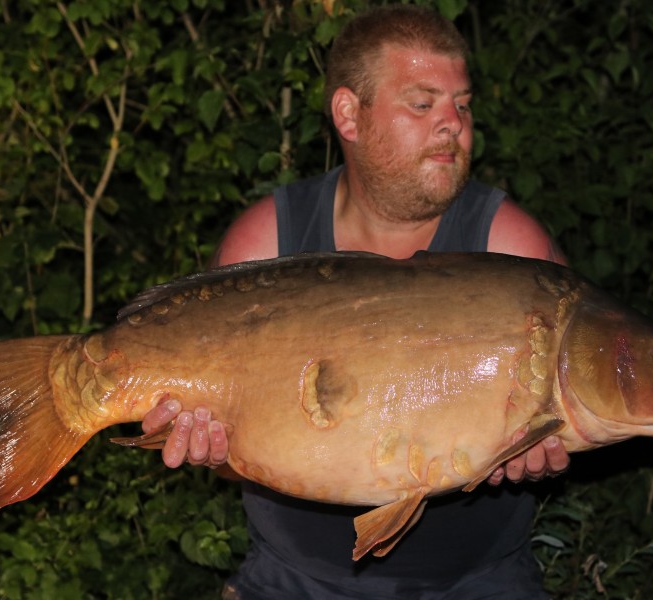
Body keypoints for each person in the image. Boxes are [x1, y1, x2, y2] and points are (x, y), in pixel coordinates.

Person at [143, 5, 570, 598]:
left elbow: (571, 415)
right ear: (349, 113)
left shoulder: (513, 250)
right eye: (423, 105)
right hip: (292, 578)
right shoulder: (267, 239)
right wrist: (210, 448)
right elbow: (226, 448)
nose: (453, 125)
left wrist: (549, 447)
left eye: (462, 105)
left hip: (477, 581)